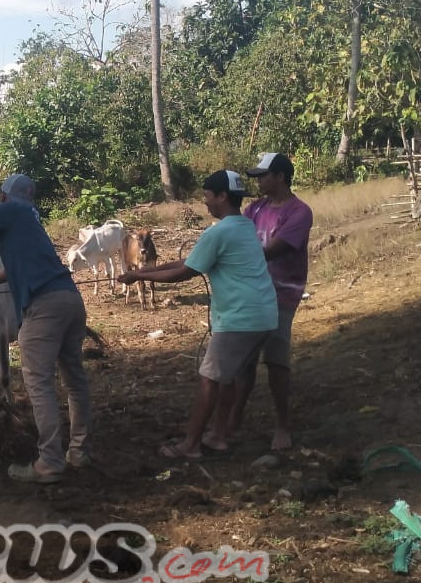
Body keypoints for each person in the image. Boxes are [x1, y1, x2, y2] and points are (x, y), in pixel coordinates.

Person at [119, 170, 277, 461]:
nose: (204, 201)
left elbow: (185, 272)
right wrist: (141, 272)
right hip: (264, 315)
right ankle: (218, 436)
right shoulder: (244, 226)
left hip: (239, 320)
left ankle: (190, 445)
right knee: (226, 377)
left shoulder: (219, 231)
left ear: (222, 196)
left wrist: (137, 278)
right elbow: (188, 260)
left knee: (209, 378)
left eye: (207, 195)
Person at [0, 174, 92, 483]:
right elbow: (18, 267)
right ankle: (79, 451)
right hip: (70, 300)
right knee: (74, 379)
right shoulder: (30, 217)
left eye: (1, 193)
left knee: (38, 384)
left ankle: (50, 462)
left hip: (43, 308)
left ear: (4, 195)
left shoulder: (9, 211)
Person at [221, 152, 313, 452]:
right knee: (243, 363)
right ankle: (234, 420)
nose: (258, 181)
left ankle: (282, 425)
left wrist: (221, 259)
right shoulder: (254, 208)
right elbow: (237, 237)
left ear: (280, 177)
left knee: (276, 360)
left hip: (282, 291)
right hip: (253, 291)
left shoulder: (299, 212)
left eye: (263, 176)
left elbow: (270, 251)